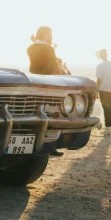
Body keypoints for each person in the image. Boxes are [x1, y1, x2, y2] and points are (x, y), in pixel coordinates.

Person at [27, 26, 63, 157]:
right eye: (50, 34)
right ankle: (51, 146)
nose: (52, 37)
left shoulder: (31, 48)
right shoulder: (49, 48)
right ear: (46, 35)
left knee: (38, 114)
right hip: (50, 85)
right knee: (52, 115)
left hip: (36, 84)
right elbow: (53, 69)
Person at [96, 50, 111, 137]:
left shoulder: (100, 66)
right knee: (110, 109)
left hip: (103, 89)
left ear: (101, 56)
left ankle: (108, 129)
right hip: (110, 89)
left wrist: (96, 90)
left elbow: (99, 79)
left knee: (105, 109)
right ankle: (109, 128)